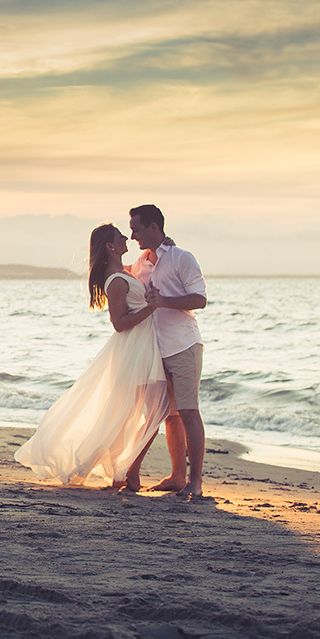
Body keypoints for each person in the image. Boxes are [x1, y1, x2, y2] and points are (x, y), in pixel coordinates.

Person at [15, 224, 170, 489]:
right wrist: (151, 309)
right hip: (133, 349)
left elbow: (145, 266)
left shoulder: (123, 272)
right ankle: (126, 471)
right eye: (120, 236)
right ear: (110, 246)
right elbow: (119, 323)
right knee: (146, 411)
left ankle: (122, 471)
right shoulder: (117, 281)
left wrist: (163, 248)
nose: (126, 238)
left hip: (141, 346)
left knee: (131, 413)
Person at [128, 204, 208, 497]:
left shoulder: (181, 258)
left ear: (153, 227)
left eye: (136, 229)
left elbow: (200, 299)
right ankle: (176, 477)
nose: (132, 235)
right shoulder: (139, 264)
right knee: (168, 415)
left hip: (183, 345)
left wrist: (163, 302)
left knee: (188, 411)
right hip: (154, 349)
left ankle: (195, 481)